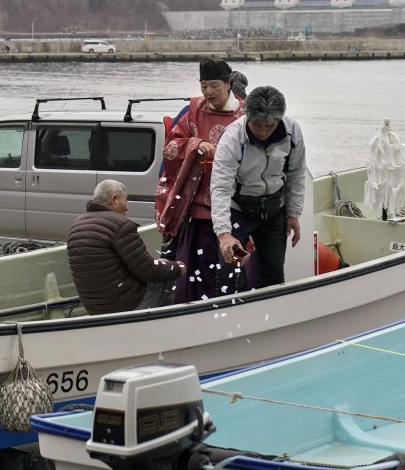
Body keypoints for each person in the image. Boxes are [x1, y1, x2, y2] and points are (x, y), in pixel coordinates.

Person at [155, 58, 245, 303]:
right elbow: (171, 148)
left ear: (229, 83)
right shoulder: (193, 111)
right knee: (197, 269)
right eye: (203, 86)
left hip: (235, 205)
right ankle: (195, 309)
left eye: (214, 85)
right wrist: (196, 145)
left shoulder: (244, 114)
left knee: (234, 268)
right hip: (198, 208)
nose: (208, 92)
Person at [211, 86, 306, 292]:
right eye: (257, 125)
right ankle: (228, 317)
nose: (263, 132)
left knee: (274, 276)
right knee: (230, 276)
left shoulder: (292, 131)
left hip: (274, 208)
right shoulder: (232, 138)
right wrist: (223, 232)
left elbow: (297, 173)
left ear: (279, 119)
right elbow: (220, 188)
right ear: (246, 116)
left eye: (270, 125)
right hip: (239, 209)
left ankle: (270, 319)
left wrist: (293, 213)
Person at [68, 179, 186, 315]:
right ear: (114, 200)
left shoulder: (77, 225)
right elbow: (147, 270)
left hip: (94, 308)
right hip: (124, 306)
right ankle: (164, 324)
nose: (127, 207)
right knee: (167, 268)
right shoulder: (120, 225)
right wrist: (177, 268)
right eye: (126, 200)